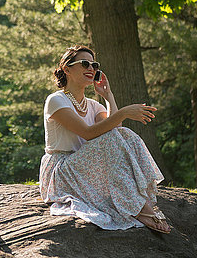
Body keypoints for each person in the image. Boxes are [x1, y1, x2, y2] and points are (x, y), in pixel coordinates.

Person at [39, 45, 171, 234]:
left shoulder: (92, 104)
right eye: (85, 63)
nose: (91, 68)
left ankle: (142, 204)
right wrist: (125, 112)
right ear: (67, 69)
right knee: (113, 136)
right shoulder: (56, 100)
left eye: (94, 64)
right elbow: (88, 133)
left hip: (83, 168)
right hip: (61, 170)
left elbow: (115, 131)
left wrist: (108, 96)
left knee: (126, 135)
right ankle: (142, 209)